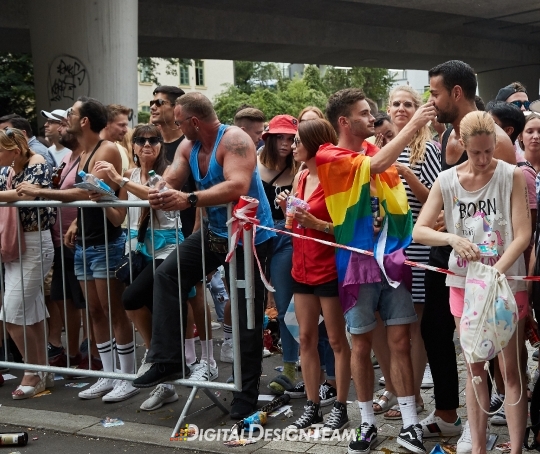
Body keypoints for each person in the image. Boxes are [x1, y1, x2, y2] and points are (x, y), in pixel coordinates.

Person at [133, 92, 275, 420]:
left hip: (249, 238)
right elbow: (169, 181)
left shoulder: (235, 140)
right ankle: (168, 359)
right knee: (167, 274)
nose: (176, 128)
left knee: (245, 317)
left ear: (194, 121)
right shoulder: (189, 145)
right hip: (215, 234)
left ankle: (245, 395)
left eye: (179, 122)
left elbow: (237, 185)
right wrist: (156, 188)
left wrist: (190, 199)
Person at [320, 87, 436, 454]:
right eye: (364, 113)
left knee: (401, 341)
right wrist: (414, 123)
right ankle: (367, 423)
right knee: (362, 344)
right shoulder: (329, 154)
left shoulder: (373, 150)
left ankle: (410, 423)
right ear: (344, 122)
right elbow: (377, 167)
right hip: (356, 267)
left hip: (392, 262)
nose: (373, 119)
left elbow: (393, 197)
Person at [413, 110, 530, 454]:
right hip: (464, 285)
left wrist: (495, 272)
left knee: (510, 370)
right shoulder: (447, 180)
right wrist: (451, 238)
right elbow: (420, 230)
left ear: (496, 143)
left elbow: (522, 234)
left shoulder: (511, 175)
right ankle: (478, 447)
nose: (482, 159)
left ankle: (516, 448)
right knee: (475, 370)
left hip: (504, 284)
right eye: (476, 152)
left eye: (488, 151)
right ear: (463, 145)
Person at [276, 118, 351, 433]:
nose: (292, 146)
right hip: (301, 267)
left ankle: (341, 406)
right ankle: (312, 406)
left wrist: (316, 223)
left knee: (335, 340)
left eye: (297, 141)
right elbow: (295, 223)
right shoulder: (302, 176)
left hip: (328, 268)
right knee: (305, 337)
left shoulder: (335, 179)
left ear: (315, 144)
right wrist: (287, 209)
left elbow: (349, 229)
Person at [371, 86, 441, 421]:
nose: (401, 108)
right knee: (384, 323)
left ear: (418, 110)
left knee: (413, 326)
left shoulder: (427, 148)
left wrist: (408, 174)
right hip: (382, 249)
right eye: (396, 103)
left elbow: (435, 201)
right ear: (388, 109)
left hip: (415, 248)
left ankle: (412, 397)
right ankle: (396, 389)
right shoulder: (380, 150)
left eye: (408, 104)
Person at [62, 96, 136, 403]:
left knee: (113, 311)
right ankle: (108, 374)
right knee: (94, 311)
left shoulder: (106, 149)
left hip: (107, 242)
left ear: (84, 121)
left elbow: (88, 193)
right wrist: (76, 223)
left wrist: (39, 191)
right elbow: (90, 197)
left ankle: (127, 377)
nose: (66, 117)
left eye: (71, 113)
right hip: (86, 243)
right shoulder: (83, 152)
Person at [17, 112, 88, 369]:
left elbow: (88, 194)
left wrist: (40, 191)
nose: (58, 129)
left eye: (63, 124)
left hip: (78, 238)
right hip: (60, 238)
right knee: (62, 297)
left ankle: (92, 353)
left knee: (85, 301)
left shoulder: (87, 156)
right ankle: (72, 353)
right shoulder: (66, 156)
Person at [0, 128, 55, 399]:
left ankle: (32, 371)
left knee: (12, 314)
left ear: (14, 150)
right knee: (29, 313)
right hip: (13, 245)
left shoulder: (38, 162)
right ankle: (42, 370)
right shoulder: (6, 170)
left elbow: (28, 196)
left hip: (34, 243)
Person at [258, 114, 300, 395]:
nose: (285, 143)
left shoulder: (299, 168)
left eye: (290, 138)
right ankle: (246, 366)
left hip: (286, 238)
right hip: (255, 238)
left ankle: (289, 366)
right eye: (279, 137)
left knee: (286, 307)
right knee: (251, 304)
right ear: (269, 138)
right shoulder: (253, 162)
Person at [100, 104, 131, 175]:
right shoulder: (90, 149)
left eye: (126, 125)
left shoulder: (123, 151)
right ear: (106, 124)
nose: (126, 130)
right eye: (121, 125)